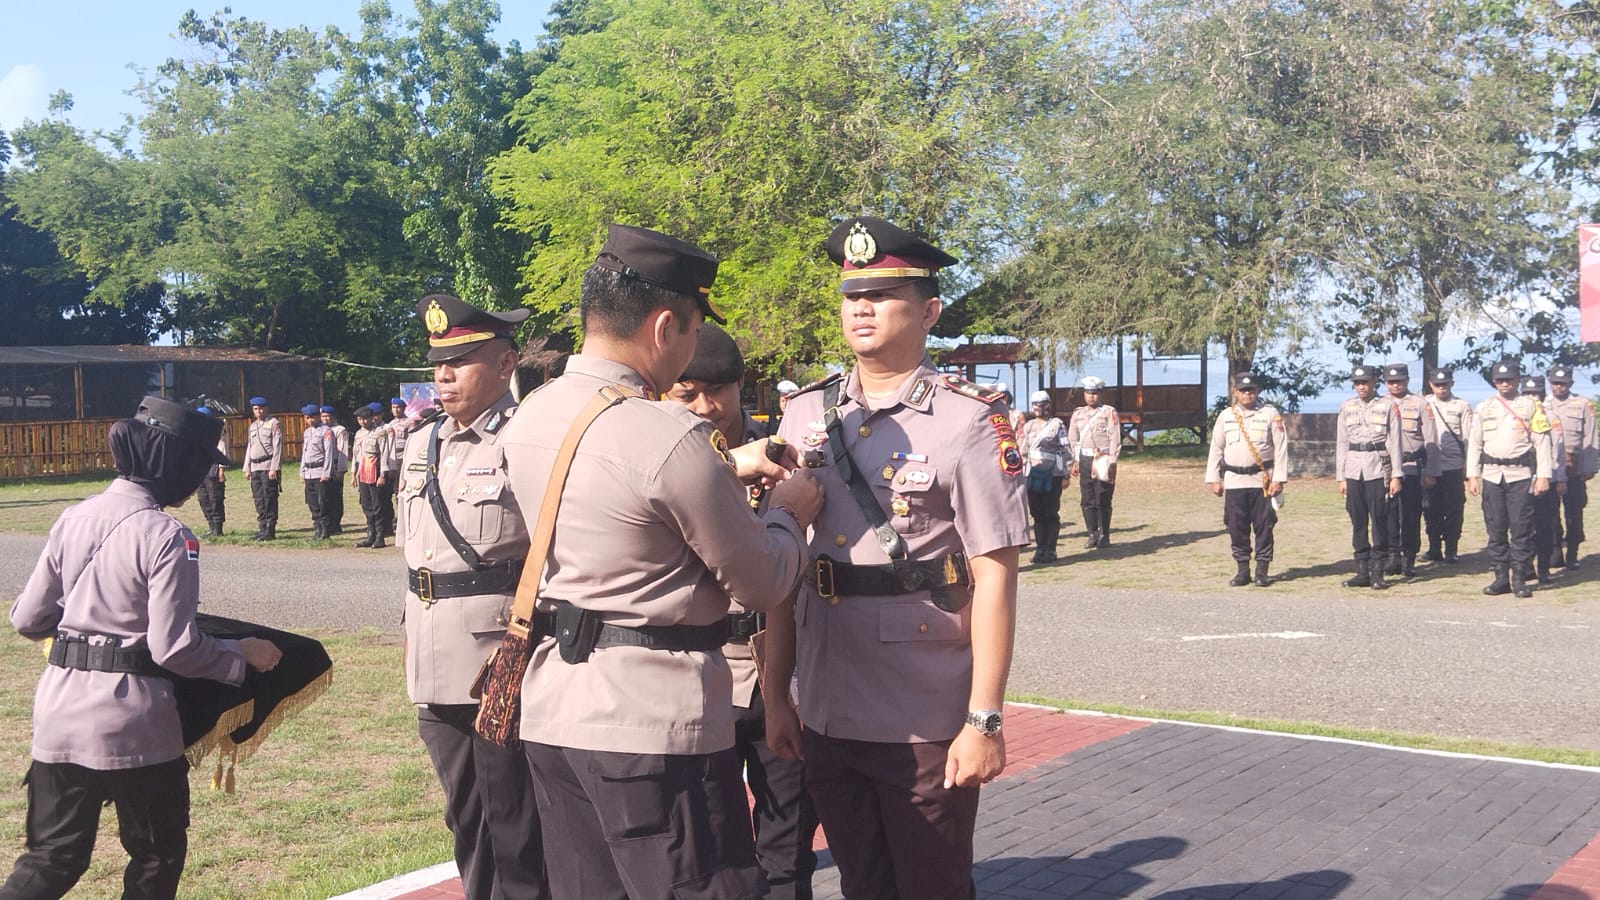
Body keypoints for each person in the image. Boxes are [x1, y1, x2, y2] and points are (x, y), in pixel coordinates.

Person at [497, 224, 823, 899]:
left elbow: (619, 495)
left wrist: (728, 468)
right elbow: (762, 579)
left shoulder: (532, 415)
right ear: (666, 325)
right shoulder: (670, 434)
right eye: (692, 329)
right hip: (653, 725)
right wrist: (789, 511)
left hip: (559, 709)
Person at [764, 215, 1028, 900]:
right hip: (826, 702)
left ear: (929, 310)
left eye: (882, 294)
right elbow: (786, 576)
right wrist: (776, 693)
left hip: (924, 713)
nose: (862, 308)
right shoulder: (802, 414)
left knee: (932, 886)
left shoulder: (969, 420)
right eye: (852, 295)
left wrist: (985, 719)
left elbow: (995, 579)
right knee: (862, 884)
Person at [2, 396, 282, 900]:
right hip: (133, 723)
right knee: (155, 853)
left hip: (60, 710)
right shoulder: (167, 535)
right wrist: (240, 654)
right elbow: (174, 648)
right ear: (174, 463)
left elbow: (26, 618)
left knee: (51, 856)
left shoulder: (73, 517)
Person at [397, 294, 549, 900]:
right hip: (434, 661)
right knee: (465, 817)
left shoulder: (525, 442)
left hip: (499, 665)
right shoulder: (419, 445)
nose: (443, 374)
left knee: (515, 818)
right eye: (438, 361)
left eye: (461, 359)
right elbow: (414, 557)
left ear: (506, 364)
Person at [662, 323, 820, 900]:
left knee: (787, 848)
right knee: (711, 851)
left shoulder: (784, 457)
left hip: (778, 671)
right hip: (698, 678)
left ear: (741, 386)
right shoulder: (655, 462)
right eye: (687, 392)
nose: (707, 407)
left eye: (720, 390)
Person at [1466, 360, 1553, 598]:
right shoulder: (1485, 407)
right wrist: (1472, 474)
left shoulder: (1531, 406)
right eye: (1500, 380)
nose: (1505, 383)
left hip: (1520, 475)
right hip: (1492, 475)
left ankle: (1520, 577)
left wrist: (1543, 475)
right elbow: (1475, 443)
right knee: (1495, 527)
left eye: (1509, 379)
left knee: (1521, 528)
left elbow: (1543, 442)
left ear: (1518, 380)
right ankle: (1500, 577)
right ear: (1494, 382)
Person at [1204, 372, 1289, 587]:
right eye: (1243, 390)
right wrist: (1213, 478)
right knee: (1236, 526)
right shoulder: (1226, 416)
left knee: (1264, 526)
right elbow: (1216, 447)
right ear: (1235, 393)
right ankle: (1242, 569)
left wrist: (1279, 479)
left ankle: (1262, 570)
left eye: (1251, 390)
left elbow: (1281, 448)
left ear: (1257, 391)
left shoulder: (1269, 414)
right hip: (1234, 480)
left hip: (1262, 480)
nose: (1247, 394)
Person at [1334, 365, 1403, 590]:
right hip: (1354, 468)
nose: (1362, 386)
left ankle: (1378, 572)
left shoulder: (1387, 406)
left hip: (1377, 467)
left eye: (1366, 382)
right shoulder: (1347, 407)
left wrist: (1396, 475)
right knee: (1358, 521)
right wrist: (1341, 477)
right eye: (1357, 383)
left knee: (1379, 521)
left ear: (1375, 382)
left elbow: (1396, 442)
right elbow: (1342, 443)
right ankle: (1361, 571)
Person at [1380, 364, 1440, 577]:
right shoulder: (1380, 404)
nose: (1395, 385)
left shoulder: (1420, 404)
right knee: (1388, 515)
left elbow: (1431, 440)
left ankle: (1409, 557)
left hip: (1412, 467)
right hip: (1385, 469)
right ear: (1385, 383)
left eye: (1400, 381)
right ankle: (1392, 556)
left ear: (1407, 381)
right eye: (1391, 381)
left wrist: (1431, 471)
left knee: (1411, 515)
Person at [1545, 365, 1597, 568]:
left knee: (1574, 511)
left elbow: (1590, 438)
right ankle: (1556, 551)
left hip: (1573, 464)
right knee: (1550, 511)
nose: (1559, 387)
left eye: (1563, 383)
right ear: (1550, 383)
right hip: (1550, 464)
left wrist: (1589, 467)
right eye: (1555, 383)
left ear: (1570, 384)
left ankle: (1573, 552)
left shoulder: (1582, 404)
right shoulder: (1542, 404)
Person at [1422, 368, 1471, 564]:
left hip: (1453, 466)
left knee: (1454, 509)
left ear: (1451, 384)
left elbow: (1468, 438)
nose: (1441, 388)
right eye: (1437, 385)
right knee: (1430, 509)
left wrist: (1469, 469)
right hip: (1430, 466)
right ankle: (1434, 548)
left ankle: (1451, 549)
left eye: (1445, 384)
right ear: (1431, 385)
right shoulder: (1424, 403)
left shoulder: (1461, 406)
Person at [1521, 375, 1566, 584]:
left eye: (1536, 393)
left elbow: (1558, 451)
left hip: (1548, 478)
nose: (1532, 398)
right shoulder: (1516, 415)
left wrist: (1560, 479)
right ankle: (1527, 566)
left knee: (1545, 525)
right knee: (1524, 525)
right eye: (1528, 393)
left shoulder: (1551, 417)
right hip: (1522, 479)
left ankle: (1544, 567)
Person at [1067, 375, 1120, 548]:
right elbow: (1073, 439)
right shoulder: (1078, 414)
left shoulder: (1108, 412)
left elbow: (1114, 438)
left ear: (1101, 394)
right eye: (1088, 393)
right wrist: (1073, 461)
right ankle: (1092, 533)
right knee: (1087, 497)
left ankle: (1105, 534)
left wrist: (1112, 461)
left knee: (1103, 496)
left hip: (1102, 458)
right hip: (1084, 458)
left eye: (1095, 393)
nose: (1091, 397)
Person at [1020, 389, 1069, 564]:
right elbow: (1022, 450)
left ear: (1048, 405)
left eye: (1042, 405)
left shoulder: (1057, 425)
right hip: (1032, 473)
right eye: (1036, 405)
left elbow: (1065, 449)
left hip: (1052, 474)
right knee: (1037, 513)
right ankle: (1040, 549)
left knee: (1050, 512)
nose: (1039, 408)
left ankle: (1051, 549)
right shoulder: (1028, 426)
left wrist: (1066, 474)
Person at [349, 404, 393, 549]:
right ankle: (371, 534)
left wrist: (383, 475)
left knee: (378, 505)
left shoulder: (379, 432)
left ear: (371, 418)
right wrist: (353, 474)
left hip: (375, 472)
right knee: (366, 505)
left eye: (365, 419)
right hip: (363, 472)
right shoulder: (358, 434)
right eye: (359, 419)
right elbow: (356, 455)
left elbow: (385, 453)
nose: (362, 422)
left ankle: (380, 536)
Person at [243, 396, 283, 541]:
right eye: (255, 409)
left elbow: (277, 447)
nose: (258, 411)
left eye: (260, 408)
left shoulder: (274, 423)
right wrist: (246, 467)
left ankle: (270, 529)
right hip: (255, 466)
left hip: (268, 466)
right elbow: (250, 446)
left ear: (266, 408)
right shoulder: (253, 426)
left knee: (269, 497)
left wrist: (274, 468)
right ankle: (262, 527)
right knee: (258, 498)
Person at [299, 404, 336, 541]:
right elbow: (305, 452)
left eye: (312, 417)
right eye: (307, 418)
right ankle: (317, 528)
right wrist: (302, 470)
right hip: (309, 471)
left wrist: (326, 473)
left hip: (320, 471)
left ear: (318, 417)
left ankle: (325, 530)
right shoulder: (307, 432)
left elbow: (329, 454)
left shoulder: (326, 431)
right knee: (312, 502)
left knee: (323, 502)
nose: (310, 420)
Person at [193, 406, 229, 537]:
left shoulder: (217, 431)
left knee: (215, 497)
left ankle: (218, 527)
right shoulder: (197, 431)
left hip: (213, 466)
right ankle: (210, 525)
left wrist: (221, 469)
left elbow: (222, 449)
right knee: (203, 497)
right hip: (201, 467)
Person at [320, 406, 350, 535]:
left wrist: (341, 470)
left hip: (336, 464)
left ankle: (336, 523)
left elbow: (343, 451)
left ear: (334, 417)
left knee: (336, 497)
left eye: (328, 416)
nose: (325, 419)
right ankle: (326, 524)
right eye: (323, 416)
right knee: (325, 496)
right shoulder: (321, 430)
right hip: (323, 467)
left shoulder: (340, 430)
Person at [384, 397, 409, 539]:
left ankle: (403, 515)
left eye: (398, 407)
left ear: (403, 408)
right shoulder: (389, 424)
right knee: (391, 489)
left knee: (401, 488)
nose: (396, 410)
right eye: (393, 407)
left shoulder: (408, 422)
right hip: (390, 459)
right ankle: (393, 516)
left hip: (402, 458)